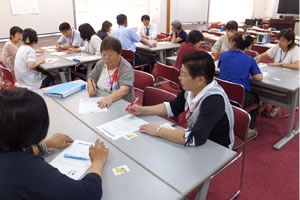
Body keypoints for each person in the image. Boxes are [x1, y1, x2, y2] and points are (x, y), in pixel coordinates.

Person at [0, 89, 109, 200]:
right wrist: (98, 162)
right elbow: (88, 194)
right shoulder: (24, 170)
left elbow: (13, 153)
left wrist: (46, 144)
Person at [127, 51, 234, 149]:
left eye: (183, 74)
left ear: (200, 80)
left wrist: (158, 131)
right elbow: (173, 107)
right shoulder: (192, 88)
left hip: (216, 146)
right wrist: (143, 110)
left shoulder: (214, 100)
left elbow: (195, 138)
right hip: (197, 136)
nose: (179, 77)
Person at [218, 33, 263, 136]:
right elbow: (258, 77)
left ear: (233, 43)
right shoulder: (249, 59)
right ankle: (249, 129)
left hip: (222, 94)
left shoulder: (224, 54)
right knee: (256, 97)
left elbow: (220, 67)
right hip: (239, 98)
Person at [255, 29, 300, 117]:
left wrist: (280, 64)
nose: (279, 42)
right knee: (263, 81)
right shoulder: (277, 47)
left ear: (290, 42)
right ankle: (266, 102)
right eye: (279, 39)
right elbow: (266, 55)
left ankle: (275, 107)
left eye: (282, 40)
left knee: (276, 86)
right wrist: (259, 57)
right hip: (275, 74)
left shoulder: (296, 50)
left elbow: (297, 66)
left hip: (289, 77)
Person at [87, 36, 134, 108]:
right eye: (104, 54)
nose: (107, 58)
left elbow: (124, 90)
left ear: (119, 53)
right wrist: (91, 88)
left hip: (120, 104)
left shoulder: (125, 68)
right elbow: (91, 78)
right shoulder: (101, 63)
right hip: (101, 102)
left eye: (110, 55)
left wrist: (109, 98)